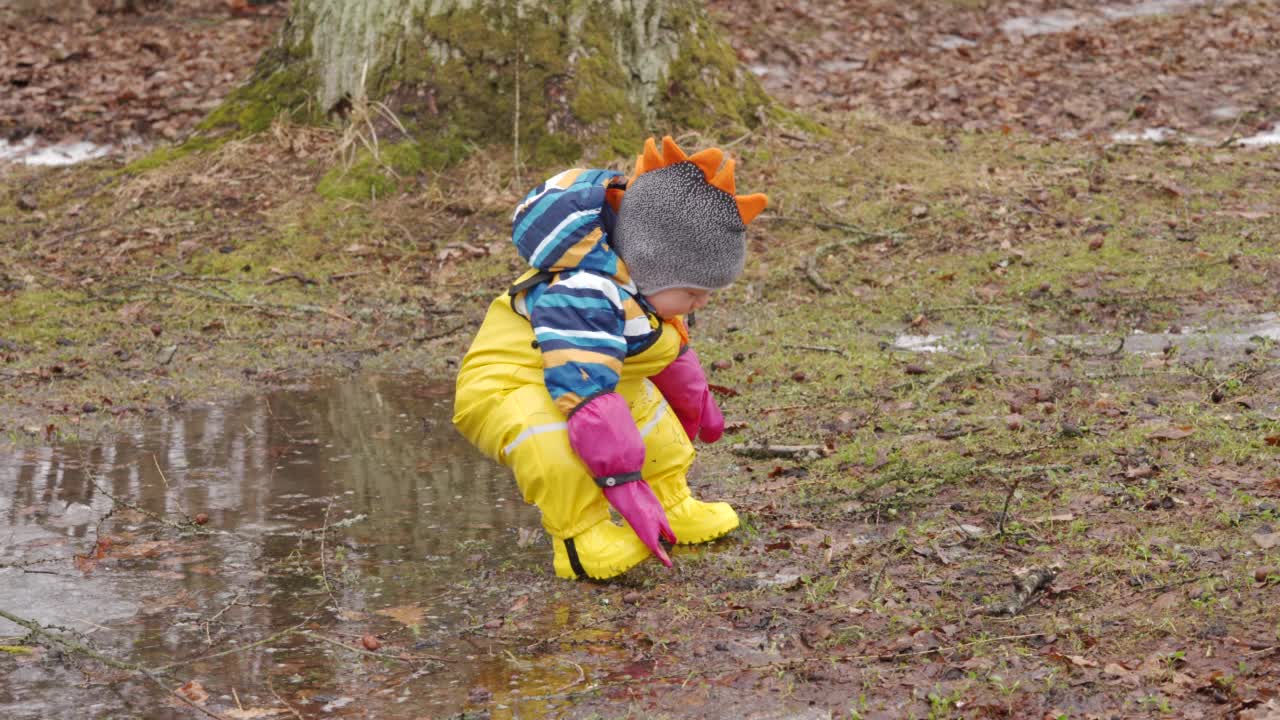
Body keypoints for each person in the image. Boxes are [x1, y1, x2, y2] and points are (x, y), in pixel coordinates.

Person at [452, 136, 767, 579]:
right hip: (510, 384)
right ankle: (580, 540)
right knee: (552, 447)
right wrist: (622, 480)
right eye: (693, 292)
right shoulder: (584, 293)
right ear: (649, 266)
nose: (700, 304)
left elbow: (655, 351)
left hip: (595, 379)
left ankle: (672, 504)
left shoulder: (647, 293)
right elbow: (586, 392)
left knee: (653, 421)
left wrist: (692, 394)